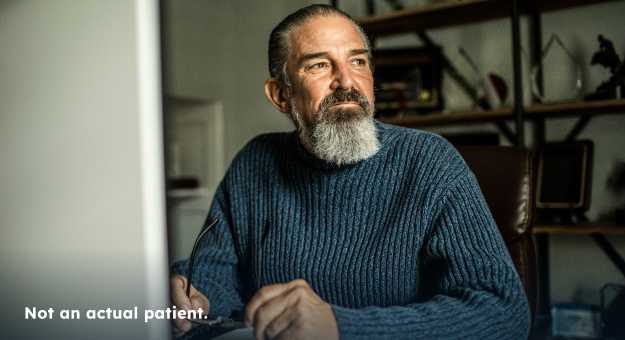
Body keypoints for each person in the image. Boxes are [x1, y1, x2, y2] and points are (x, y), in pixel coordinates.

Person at [170, 4, 530, 340]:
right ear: (281, 94)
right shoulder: (254, 163)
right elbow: (216, 275)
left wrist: (344, 327)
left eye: (358, 61)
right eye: (319, 65)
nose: (346, 81)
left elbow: (504, 312)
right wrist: (195, 298)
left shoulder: (430, 161)